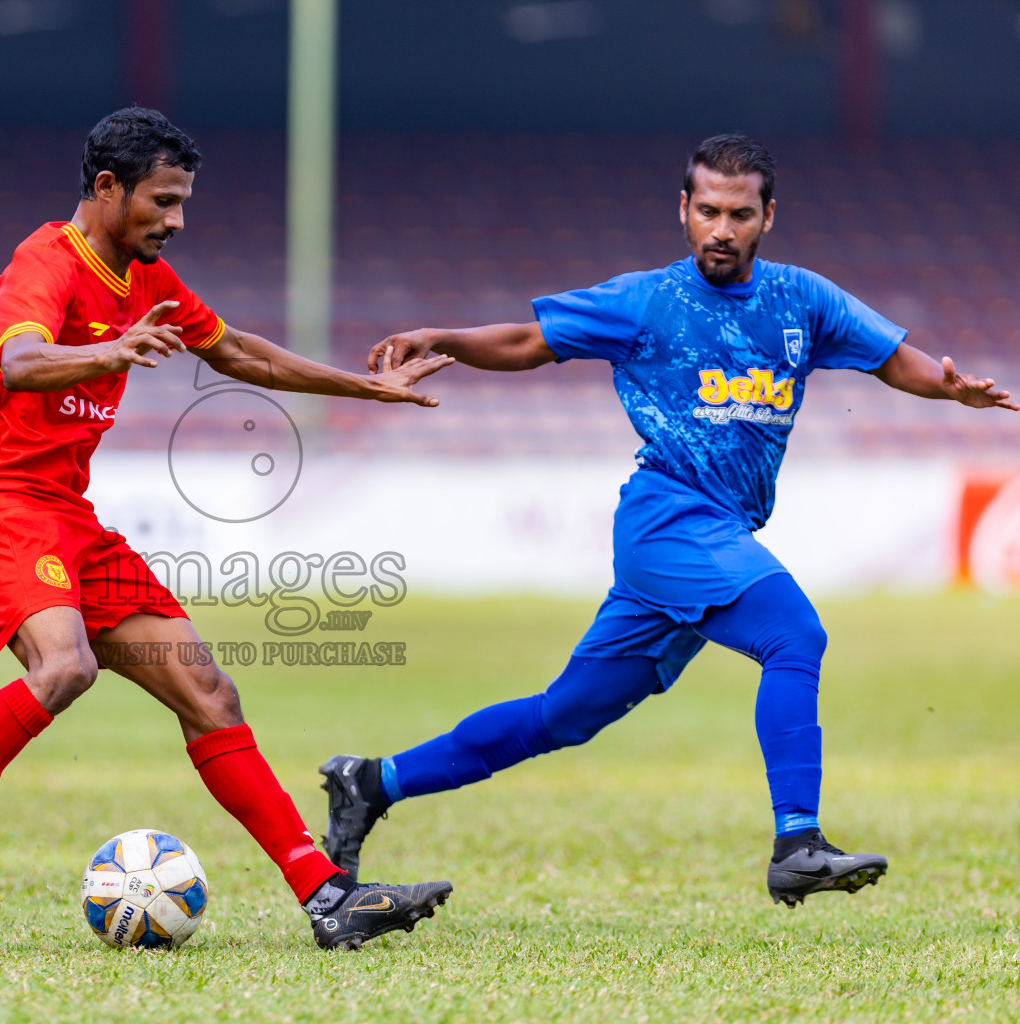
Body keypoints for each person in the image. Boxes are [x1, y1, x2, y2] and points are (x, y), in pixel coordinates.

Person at [320, 133, 1016, 909]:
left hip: (718, 533)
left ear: (768, 216)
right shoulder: (646, 301)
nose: (723, 227)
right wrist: (441, 336)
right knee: (795, 635)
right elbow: (525, 339)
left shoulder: (802, 299)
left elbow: (892, 357)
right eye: (708, 210)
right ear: (683, 210)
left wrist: (948, 389)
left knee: (564, 715)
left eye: (740, 213)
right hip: (668, 521)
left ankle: (371, 782)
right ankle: (799, 842)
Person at [0, 107, 455, 949]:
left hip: (68, 515)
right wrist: (107, 353)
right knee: (66, 666)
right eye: (163, 202)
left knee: (209, 691)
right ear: (107, 188)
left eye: (182, 204)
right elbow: (19, 362)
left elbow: (239, 352)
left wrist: (372, 391)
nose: (177, 221)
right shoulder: (48, 263)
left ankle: (326, 898)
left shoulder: (147, 279)